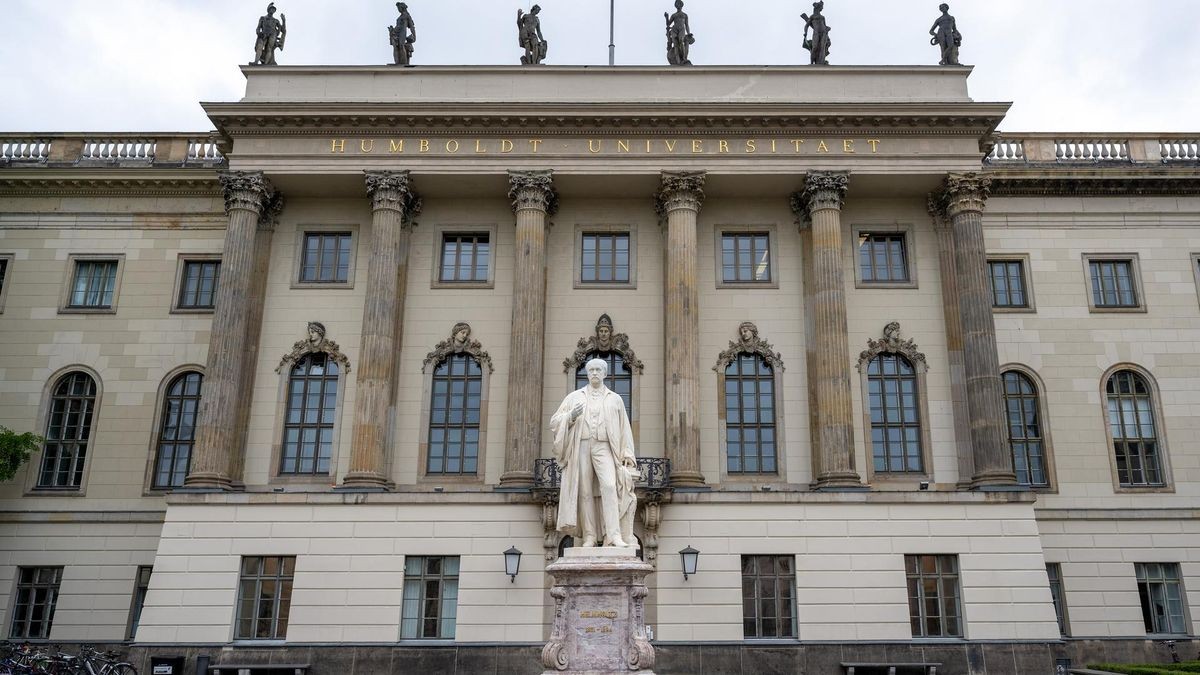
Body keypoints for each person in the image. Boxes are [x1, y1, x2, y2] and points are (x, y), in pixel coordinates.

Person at [549, 358, 638, 548]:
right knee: (585, 491)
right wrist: (570, 416)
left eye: (598, 370)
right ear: (587, 374)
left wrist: (628, 454)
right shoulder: (574, 397)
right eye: (591, 370)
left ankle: (614, 535)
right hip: (582, 444)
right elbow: (554, 422)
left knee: (609, 485)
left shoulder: (615, 399)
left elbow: (625, 429)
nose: (595, 373)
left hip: (605, 446)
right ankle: (589, 536)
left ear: (605, 373)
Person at [664, 0, 695, 66]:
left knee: (681, 41)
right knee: (675, 45)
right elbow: (668, 24)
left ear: (681, 5)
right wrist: (666, 17)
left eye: (679, 4)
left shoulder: (685, 15)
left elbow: (686, 25)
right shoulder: (674, 15)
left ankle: (684, 58)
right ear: (676, 6)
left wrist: (688, 33)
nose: (678, 5)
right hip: (674, 29)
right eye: (677, 4)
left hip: (681, 29)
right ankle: (678, 62)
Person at [801, 1, 831, 65]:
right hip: (816, 33)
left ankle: (821, 62)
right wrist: (805, 32)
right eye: (821, 7)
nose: (822, 9)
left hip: (823, 33)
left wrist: (827, 29)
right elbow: (806, 25)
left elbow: (824, 26)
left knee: (822, 48)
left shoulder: (823, 17)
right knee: (814, 47)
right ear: (818, 8)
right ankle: (812, 63)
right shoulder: (812, 16)